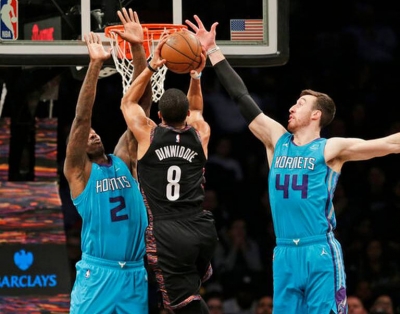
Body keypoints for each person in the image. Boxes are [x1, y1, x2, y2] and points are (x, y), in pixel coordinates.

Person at [186, 15, 400, 314]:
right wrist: (212, 51)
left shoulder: (330, 148)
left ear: (317, 116)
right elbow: (241, 97)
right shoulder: (277, 140)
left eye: (300, 104)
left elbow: (389, 144)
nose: (291, 106)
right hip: (285, 251)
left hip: (319, 250)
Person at [120, 25, 219, 313]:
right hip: (202, 227)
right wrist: (196, 75)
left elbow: (128, 102)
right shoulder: (201, 133)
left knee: (182, 304)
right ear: (187, 114)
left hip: (167, 233)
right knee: (193, 285)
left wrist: (152, 64)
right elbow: (198, 111)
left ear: (159, 115)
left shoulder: (147, 135)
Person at [63, 8, 151, 314]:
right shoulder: (78, 173)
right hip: (97, 273)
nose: (91, 134)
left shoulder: (124, 158)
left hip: (134, 274)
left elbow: (141, 107)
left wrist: (138, 48)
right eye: (85, 136)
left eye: (94, 132)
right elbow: (81, 118)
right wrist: (95, 65)